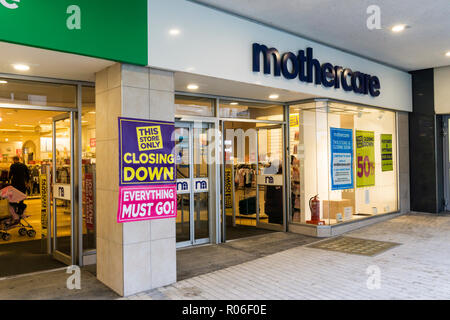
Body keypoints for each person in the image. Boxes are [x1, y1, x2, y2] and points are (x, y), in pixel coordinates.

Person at [8, 156, 29, 221]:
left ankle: (15, 210)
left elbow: (10, 174)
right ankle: (20, 209)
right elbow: (27, 175)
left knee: (14, 197)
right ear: (18, 159)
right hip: (22, 183)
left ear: (14, 159)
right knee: (21, 196)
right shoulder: (24, 166)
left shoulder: (12, 166)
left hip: (14, 184)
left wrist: (8, 180)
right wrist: (27, 182)